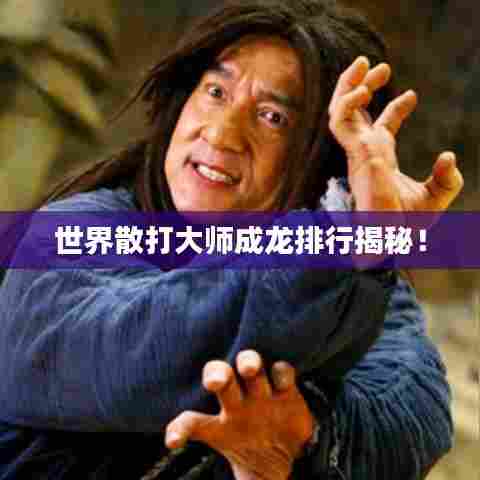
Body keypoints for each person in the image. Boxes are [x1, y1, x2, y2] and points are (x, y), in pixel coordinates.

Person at [0, 1, 463, 479]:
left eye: (272, 117)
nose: (222, 134)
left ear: (324, 162)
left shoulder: (357, 279)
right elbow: (146, 346)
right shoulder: (69, 234)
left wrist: (302, 431)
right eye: (216, 92)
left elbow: (415, 408)